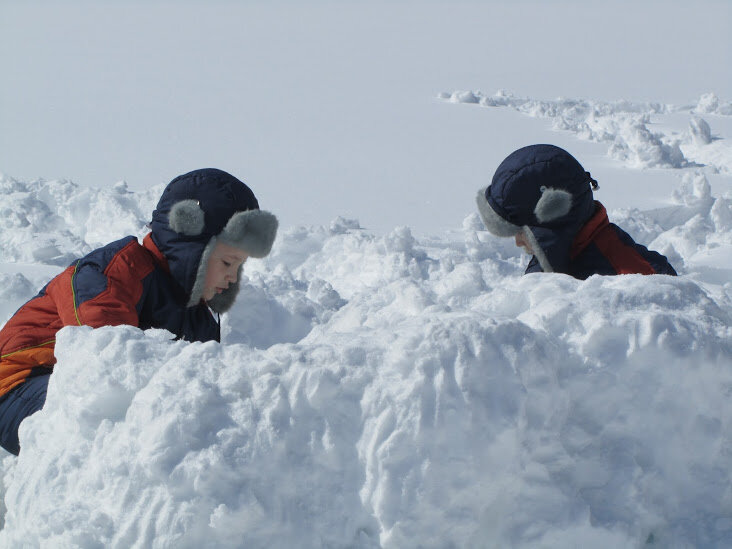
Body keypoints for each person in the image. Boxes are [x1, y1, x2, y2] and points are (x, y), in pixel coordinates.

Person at [0, 168, 278, 455]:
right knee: (119, 421)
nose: (233, 278)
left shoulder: (196, 316)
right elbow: (105, 366)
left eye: (239, 267)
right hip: (18, 383)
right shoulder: (113, 273)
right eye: (228, 263)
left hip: (73, 390)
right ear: (192, 247)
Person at [475, 144, 677, 278]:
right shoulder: (561, 251)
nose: (518, 242)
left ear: (554, 220)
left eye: (523, 231)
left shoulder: (634, 278)